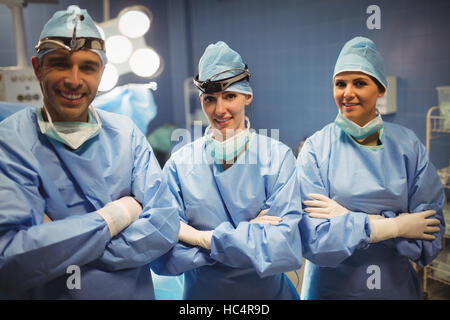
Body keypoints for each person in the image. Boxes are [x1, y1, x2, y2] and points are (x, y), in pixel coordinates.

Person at [0, 5, 179, 299]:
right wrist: (117, 215)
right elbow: (9, 259)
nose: (74, 80)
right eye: (59, 63)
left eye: (87, 66)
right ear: (37, 67)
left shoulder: (126, 135)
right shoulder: (12, 141)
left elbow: (163, 227)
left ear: (102, 72)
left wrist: (58, 243)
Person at [151, 41, 303, 299]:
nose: (219, 110)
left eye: (229, 96)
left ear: (247, 96)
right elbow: (164, 252)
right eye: (210, 99)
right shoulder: (180, 165)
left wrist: (200, 238)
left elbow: (282, 248)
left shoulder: (277, 158)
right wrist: (249, 238)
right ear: (201, 101)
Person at [297, 36, 445, 299]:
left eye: (360, 83)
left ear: (381, 90)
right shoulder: (316, 149)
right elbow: (315, 240)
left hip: (393, 288)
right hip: (331, 289)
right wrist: (397, 225)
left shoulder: (408, 146)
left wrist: (346, 220)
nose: (347, 93)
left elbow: (428, 235)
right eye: (340, 83)